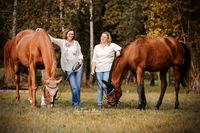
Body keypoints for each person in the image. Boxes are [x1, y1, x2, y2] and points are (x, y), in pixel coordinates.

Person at [48, 27, 83, 108]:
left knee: (77, 87)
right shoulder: (62, 42)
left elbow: (80, 53)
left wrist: (81, 59)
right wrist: (42, 31)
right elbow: (52, 39)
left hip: (78, 66)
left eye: (72, 34)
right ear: (66, 34)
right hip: (68, 68)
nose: (71, 35)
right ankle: (76, 103)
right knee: (74, 87)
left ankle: (77, 103)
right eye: (69, 34)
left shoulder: (76, 43)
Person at [91, 32, 121, 110]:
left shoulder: (112, 45)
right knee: (100, 87)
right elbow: (94, 59)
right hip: (98, 70)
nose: (102, 38)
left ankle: (111, 101)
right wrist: (92, 69)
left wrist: (118, 52)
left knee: (104, 86)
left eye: (105, 37)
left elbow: (120, 49)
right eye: (102, 36)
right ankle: (99, 104)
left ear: (108, 38)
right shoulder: (96, 47)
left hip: (108, 69)